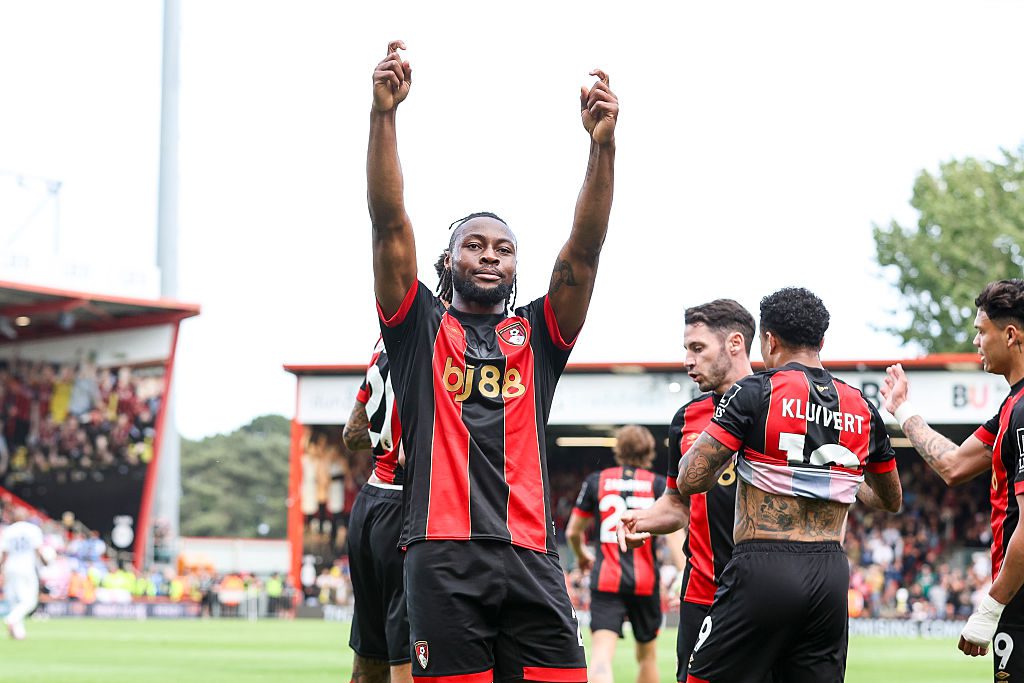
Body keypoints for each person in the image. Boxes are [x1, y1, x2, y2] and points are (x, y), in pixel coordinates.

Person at [367, 39, 617, 682]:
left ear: (515, 267)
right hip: (441, 555)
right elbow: (389, 223)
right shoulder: (419, 327)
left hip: (531, 552)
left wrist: (602, 148)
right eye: (473, 245)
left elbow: (584, 251)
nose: (488, 255)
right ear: (448, 260)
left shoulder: (539, 334)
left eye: (503, 249)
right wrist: (384, 115)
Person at [673, 287, 902, 682]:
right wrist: (838, 476)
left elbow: (690, 480)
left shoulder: (755, 392)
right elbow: (890, 499)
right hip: (830, 573)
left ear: (769, 340)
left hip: (763, 566)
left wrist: (730, 445)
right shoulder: (861, 407)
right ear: (821, 342)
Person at [881, 278, 1024, 679]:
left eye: (981, 331)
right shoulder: (1011, 407)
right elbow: (954, 465)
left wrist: (990, 608)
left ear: (1010, 335)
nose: (976, 341)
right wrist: (903, 409)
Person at [617, 299, 758, 682]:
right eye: (686, 349)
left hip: (764, 592)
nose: (687, 360)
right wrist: (643, 519)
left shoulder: (775, 405)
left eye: (698, 348)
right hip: (702, 591)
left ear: (735, 344)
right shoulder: (687, 418)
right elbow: (678, 504)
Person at [342, 252, 450, 683]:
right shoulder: (443, 335)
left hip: (369, 505)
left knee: (368, 661)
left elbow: (352, 433)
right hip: (407, 510)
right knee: (408, 659)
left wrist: (383, 438)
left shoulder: (384, 340)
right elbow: (411, 453)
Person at [565, 425, 666, 683]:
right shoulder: (657, 484)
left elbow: (573, 533)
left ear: (618, 449)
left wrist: (582, 555)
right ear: (649, 451)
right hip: (646, 582)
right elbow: (675, 536)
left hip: (606, 580)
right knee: (647, 657)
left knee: (600, 657)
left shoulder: (597, 481)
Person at [0, 507, 48, 640]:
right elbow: (38, 550)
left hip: (10, 568)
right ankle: (12, 619)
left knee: (14, 601)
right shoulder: (33, 529)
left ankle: (19, 632)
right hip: (26, 567)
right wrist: (45, 562)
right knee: (30, 601)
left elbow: (4, 554)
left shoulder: (8, 530)